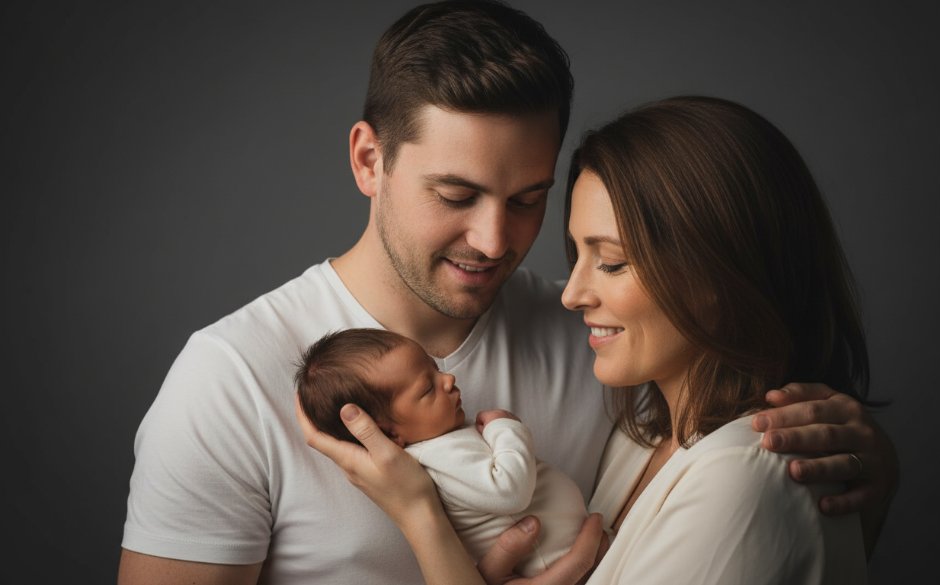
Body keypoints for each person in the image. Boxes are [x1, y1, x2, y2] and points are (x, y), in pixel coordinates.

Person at [120, 2, 898, 583]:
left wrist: (867, 471)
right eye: (456, 194)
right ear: (368, 160)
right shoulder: (230, 380)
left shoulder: (601, 342)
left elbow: (735, 497)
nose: (495, 241)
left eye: (527, 198)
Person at [300, 95, 880, 584]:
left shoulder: (745, 478)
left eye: (612, 263)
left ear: (720, 277)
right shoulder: (645, 430)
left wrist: (420, 514)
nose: (571, 294)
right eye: (577, 255)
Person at [295, 327, 589, 577]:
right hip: (554, 560)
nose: (448, 380)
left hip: (565, 548)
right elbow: (510, 491)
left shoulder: (445, 439)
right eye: (427, 389)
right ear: (389, 434)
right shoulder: (437, 457)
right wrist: (506, 428)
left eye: (435, 369)